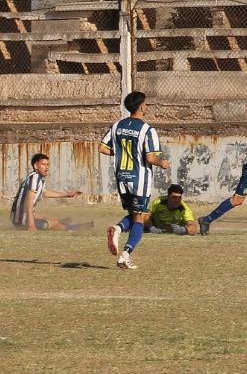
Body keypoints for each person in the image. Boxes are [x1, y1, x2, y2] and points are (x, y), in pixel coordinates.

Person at [100, 91, 170, 269]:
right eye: (145, 104)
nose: (146, 107)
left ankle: (117, 229)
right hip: (140, 179)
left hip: (122, 177)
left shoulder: (117, 126)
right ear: (141, 106)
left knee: (134, 214)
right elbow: (151, 158)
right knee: (141, 218)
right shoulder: (148, 130)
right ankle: (125, 254)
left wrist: (123, 153)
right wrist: (163, 163)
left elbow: (102, 148)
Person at [10, 153, 91, 231]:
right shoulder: (35, 177)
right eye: (43, 164)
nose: (46, 167)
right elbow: (29, 200)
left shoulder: (37, 178)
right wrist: (31, 225)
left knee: (45, 218)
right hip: (20, 220)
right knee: (52, 223)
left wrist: (67, 194)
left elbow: (44, 193)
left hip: (17, 218)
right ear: (35, 166)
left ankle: (59, 223)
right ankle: (72, 228)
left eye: (47, 164)